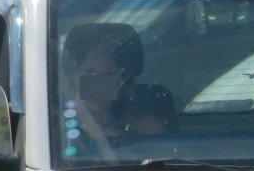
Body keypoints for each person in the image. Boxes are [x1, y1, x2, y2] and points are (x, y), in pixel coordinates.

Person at [57, 22, 171, 158]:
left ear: (123, 83)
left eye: (107, 75)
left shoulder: (147, 128)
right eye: (90, 74)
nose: (97, 83)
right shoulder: (55, 131)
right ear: (73, 77)